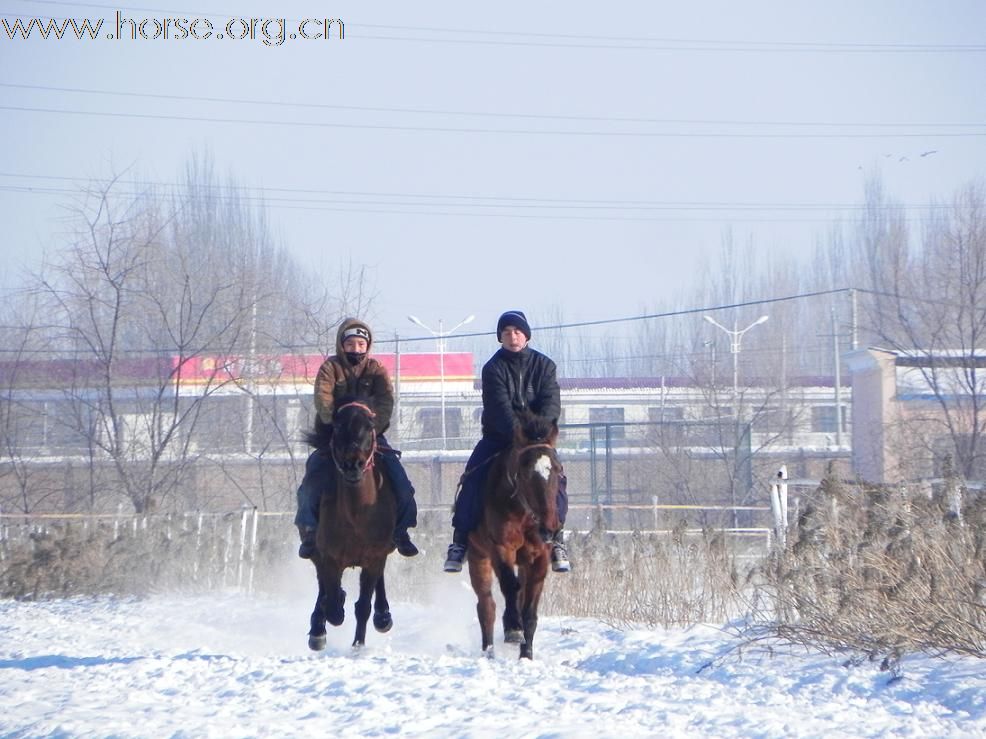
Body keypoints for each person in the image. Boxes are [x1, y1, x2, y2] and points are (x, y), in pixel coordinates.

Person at [443, 310, 570, 574]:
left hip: (537, 441)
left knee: (556, 479)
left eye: (517, 331)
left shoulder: (545, 366)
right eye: (507, 332)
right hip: (499, 439)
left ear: (526, 335)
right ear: (500, 337)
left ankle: (557, 538)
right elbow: (499, 407)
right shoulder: (493, 368)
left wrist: (538, 433)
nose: (513, 336)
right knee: (473, 477)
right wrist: (517, 434)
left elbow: (551, 403)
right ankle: (459, 541)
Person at [294, 318, 418, 559]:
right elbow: (322, 398)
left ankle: (401, 531)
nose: (356, 349)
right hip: (335, 437)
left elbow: (386, 401)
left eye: (361, 344)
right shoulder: (330, 368)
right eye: (351, 344)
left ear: (368, 345)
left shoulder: (376, 369)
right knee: (311, 482)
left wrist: (373, 427)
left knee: (401, 482)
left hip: (370, 438)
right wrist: (338, 424)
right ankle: (309, 530)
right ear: (342, 345)